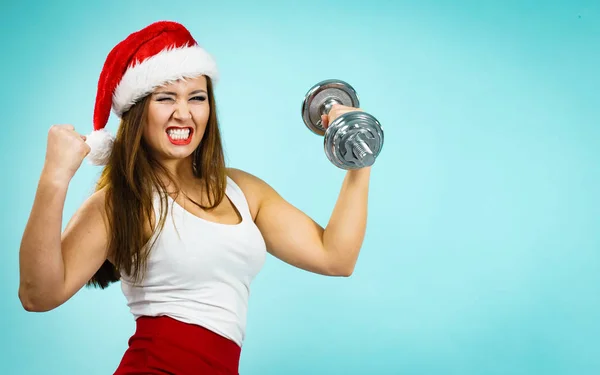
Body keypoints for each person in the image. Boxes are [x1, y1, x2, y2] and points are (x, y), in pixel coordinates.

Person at [18, 20, 372, 375]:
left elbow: (335, 257)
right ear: (138, 111)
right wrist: (54, 178)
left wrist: (360, 153)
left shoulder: (240, 190)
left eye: (197, 98)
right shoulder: (121, 202)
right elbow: (38, 295)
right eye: (165, 98)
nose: (183, 113)